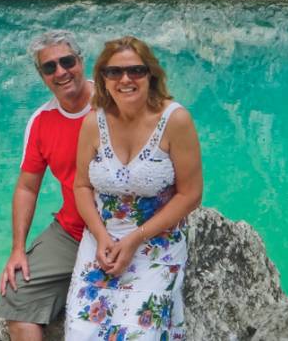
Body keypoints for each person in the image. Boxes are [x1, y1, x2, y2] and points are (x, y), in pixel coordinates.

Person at [65, 36, 203, 340]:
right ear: (102, 78)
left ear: (150, 74)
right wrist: (101, 236)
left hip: (156, 240)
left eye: (136, 71)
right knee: (82, 330)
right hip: (101, 241)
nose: (125, 79)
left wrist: (134, 239)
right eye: (114, 72)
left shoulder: (175, 120)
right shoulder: (93, 122)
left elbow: (190, 194)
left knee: (137, 333)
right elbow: (82, 186)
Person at [0, 30, 94, 341]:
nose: (61, 72)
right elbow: (27, 187)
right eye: (49, 67)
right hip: (73, 233)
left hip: (124, 230)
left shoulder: (116, 103)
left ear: (81, 61)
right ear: (41, 75)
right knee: (16, 298)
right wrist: (17, 250)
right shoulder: (41, 121)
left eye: (67, 61)